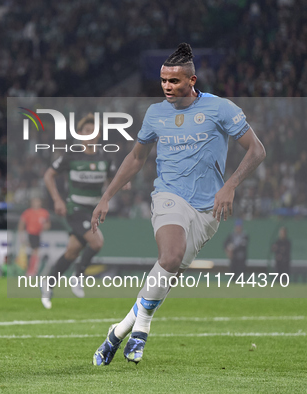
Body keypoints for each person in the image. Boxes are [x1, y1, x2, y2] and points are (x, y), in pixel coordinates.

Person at [90, 43, 266, 366]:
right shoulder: (155, 114)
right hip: (168, 196)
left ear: (192, 80)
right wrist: (107, 195)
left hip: (207, 211)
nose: (167, 87)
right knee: (169, 256)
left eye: (174, 81)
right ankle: (141, 330)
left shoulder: (220, 109)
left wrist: (231, 184)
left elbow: (256, 150)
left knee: (166, 274)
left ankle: (116, 333)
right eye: (163, 81)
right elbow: (136, 158)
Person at [41, 113, 119, 308]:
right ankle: (78, 276)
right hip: (74, 208)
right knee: (97, 242)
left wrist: (120, 186)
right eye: (86, 131)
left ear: (99, 134)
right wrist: (57, 199)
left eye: (93, 131)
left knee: (72, 251)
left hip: (93, 210)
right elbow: (48, 175)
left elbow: (112, 180)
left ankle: (48, 282)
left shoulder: (105, 157)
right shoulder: (72, 155)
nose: (90, 134)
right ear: (80, 134)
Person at [17, 197, 50, 276]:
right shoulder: (28, 212)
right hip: (30, 234)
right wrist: (21, 235)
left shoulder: (44, 212)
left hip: (39, 234)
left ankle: (32, 271)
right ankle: (30, 271)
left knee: (35, 252)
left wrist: (45, 226)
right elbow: (22, 223)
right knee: (32, 252)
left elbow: (48, 224)